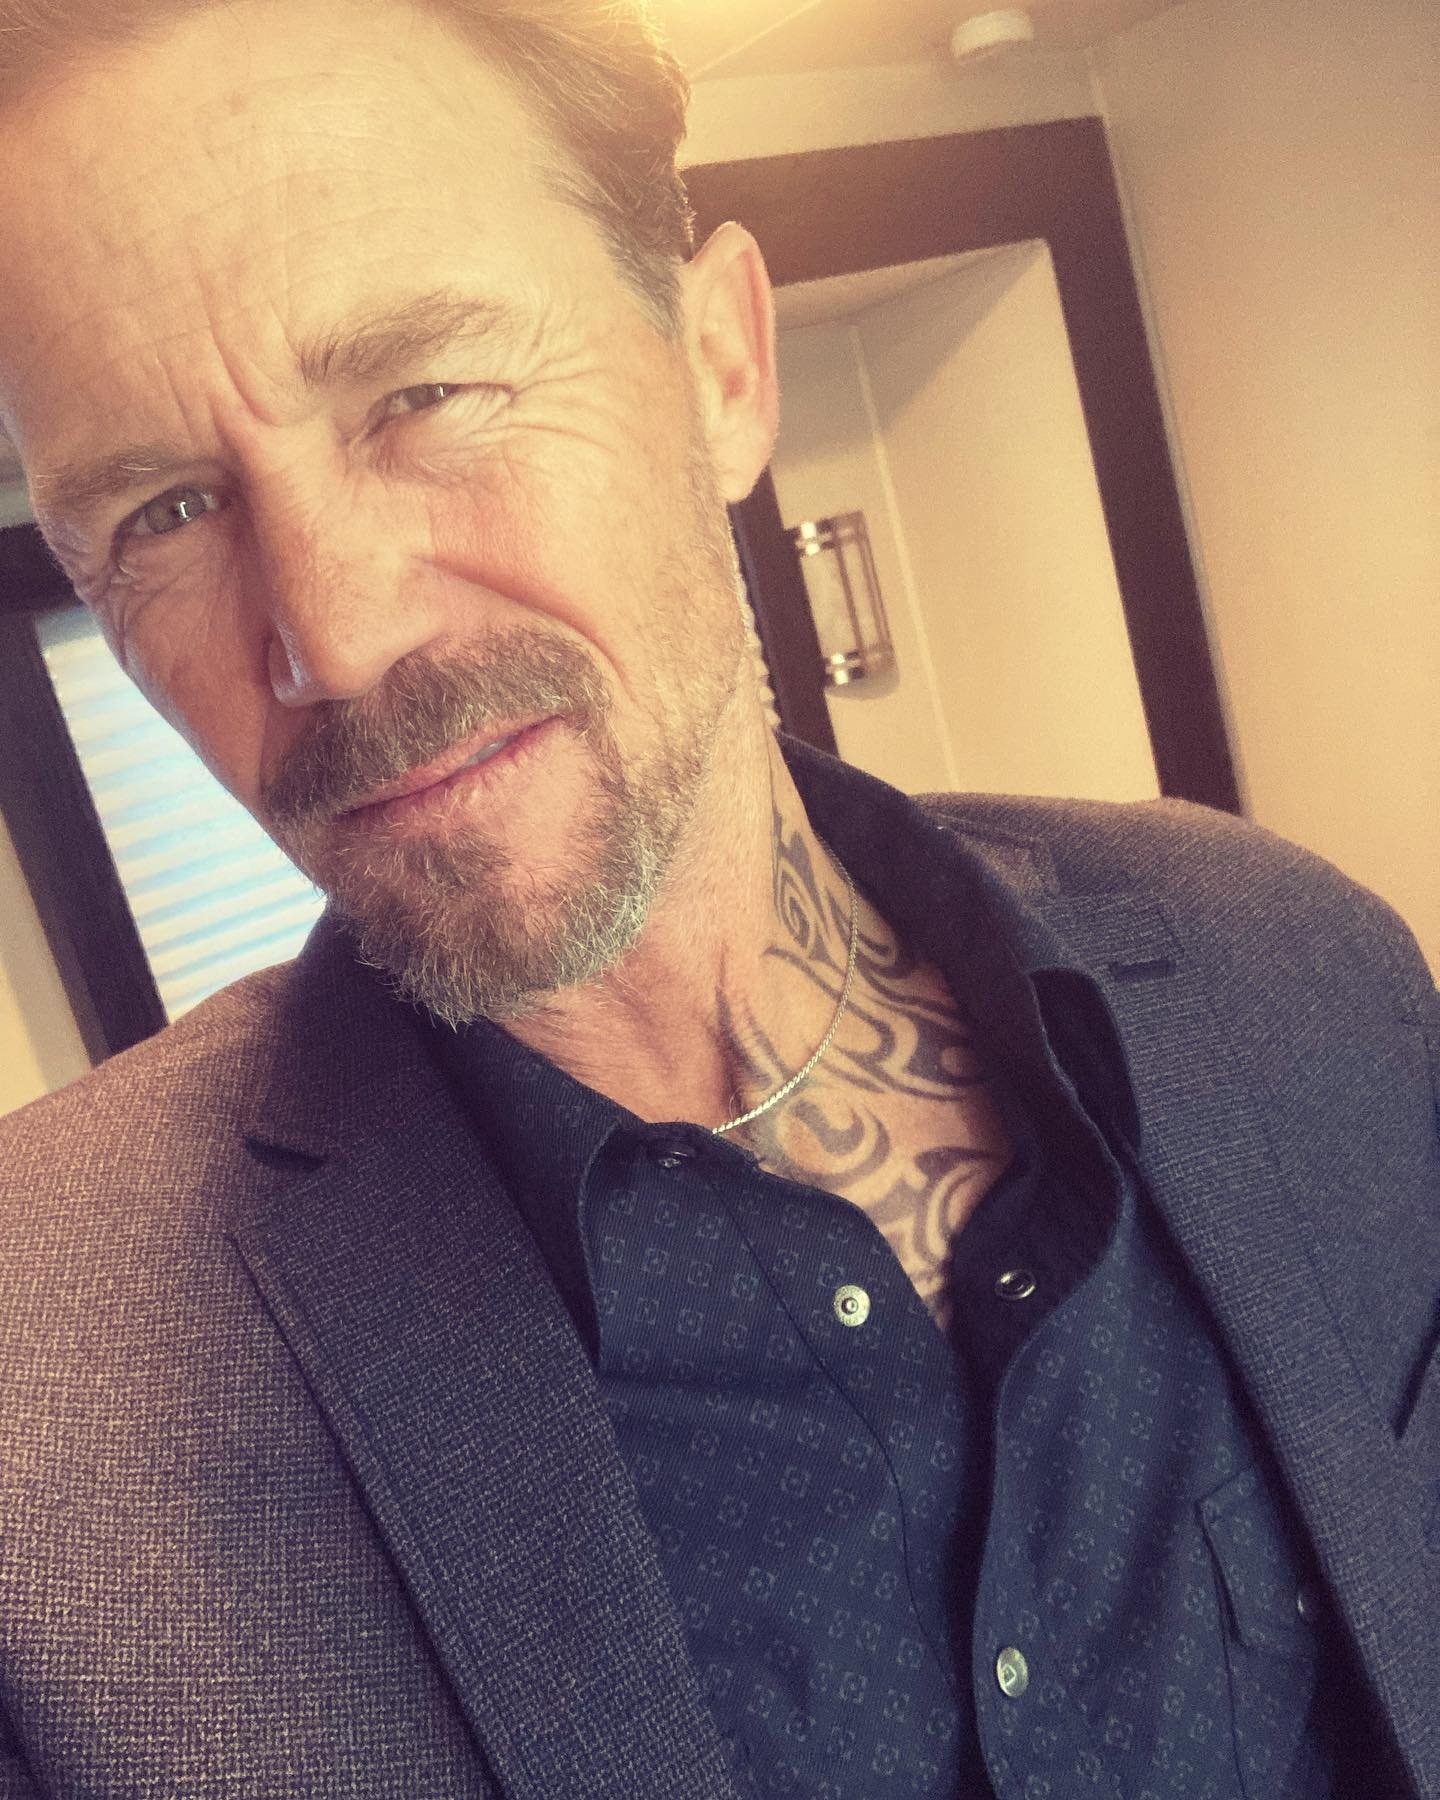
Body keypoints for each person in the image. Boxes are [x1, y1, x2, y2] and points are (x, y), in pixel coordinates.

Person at [0, 0, 1434, 1794]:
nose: (336, 637)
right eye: (162, 512)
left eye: (424, 393)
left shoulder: (1296, 970)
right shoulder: (40, 1401)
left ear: (722, 367)